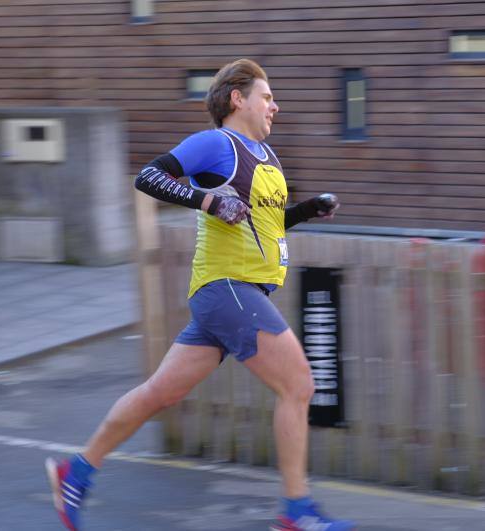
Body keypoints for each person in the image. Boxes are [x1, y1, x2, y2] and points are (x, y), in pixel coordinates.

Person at [45, 58, 354, 531]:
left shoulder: (266, 157)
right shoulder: (217, 143)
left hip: (235, 294)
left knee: (159, 393)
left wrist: (307, 210)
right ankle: (296, 512)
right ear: (238, 99)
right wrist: (208, 200)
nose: (276, 105)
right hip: (227, 288)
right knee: (298, 386)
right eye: (267, 96)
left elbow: (263, 223)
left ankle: (78, 471)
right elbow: (148, 176)